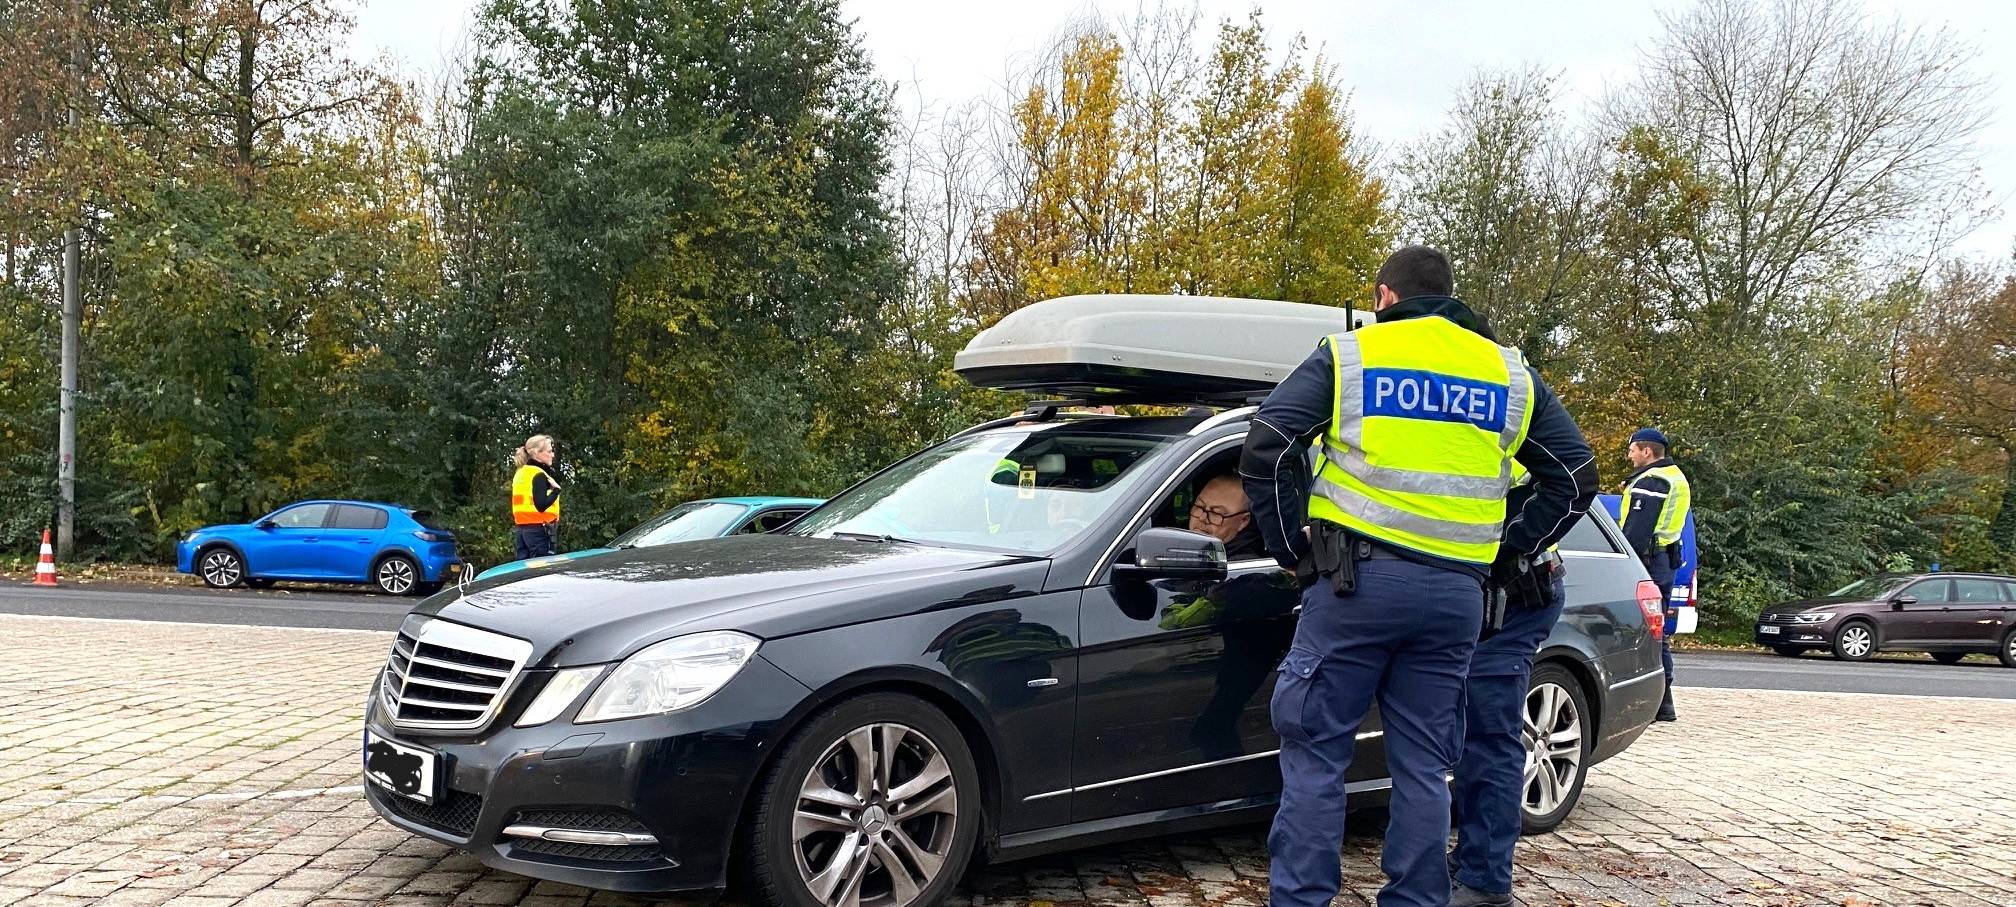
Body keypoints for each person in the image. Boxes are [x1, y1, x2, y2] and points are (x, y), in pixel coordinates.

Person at [1241, 245, 1596, 907]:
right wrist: (1502, 551)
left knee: (1317, 753)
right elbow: (1575, 476)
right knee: (1425, 768)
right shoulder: (1507, 373)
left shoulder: (1354, 354)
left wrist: (1296, 551)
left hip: (1355, 587)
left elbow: (1270, 443)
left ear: (1384, 298)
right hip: (1455, 599)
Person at [1448, 470, 1584, 907]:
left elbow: (1575, 478)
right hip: (1486, 586)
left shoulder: (1501, 407)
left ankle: (1485, 881)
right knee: (1471, 734)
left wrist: (1511, 548)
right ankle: (1472, 857)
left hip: (1513, 595)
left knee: (1489, 736)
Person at [1621, 427, 1690, 723]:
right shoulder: (1674, 476)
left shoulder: (1653, 481)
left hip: (1648, 560)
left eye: (1633, 449)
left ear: (1647, 452)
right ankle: (1663, 703)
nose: (1630, 455)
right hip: (1663, 558)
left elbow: (1636, 531)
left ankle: (1659, 702)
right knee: (1655, 629)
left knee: (1647, 630)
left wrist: (1624, 564)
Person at [510, 435, 562, 560]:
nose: (552, 455)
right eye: (549, 451)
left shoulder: (521, 472)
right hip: (539, 531)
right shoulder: (538, 474)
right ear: (537, 453)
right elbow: (541, 505)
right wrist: (556, 491)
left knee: (523, 572)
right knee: (540, 573)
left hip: (522, 531)